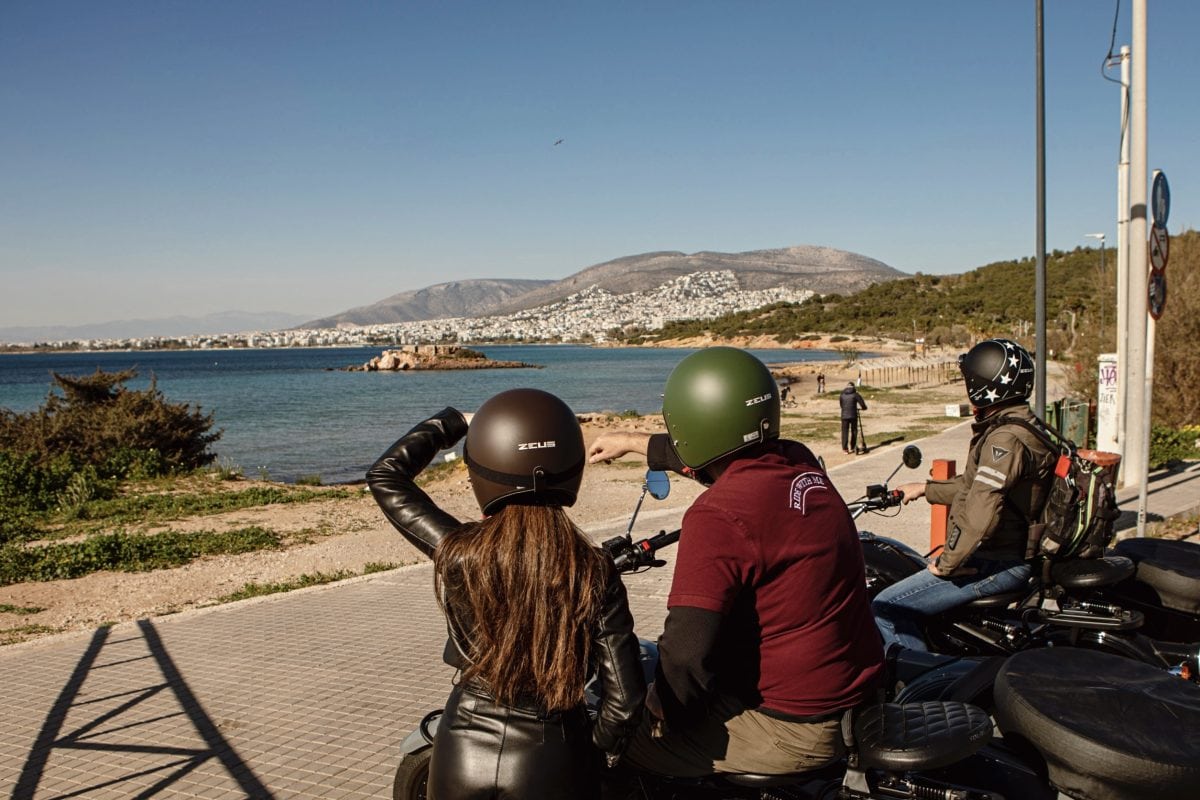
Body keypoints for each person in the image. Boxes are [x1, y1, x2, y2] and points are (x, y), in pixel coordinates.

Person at [587, 347, 884, 779]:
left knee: (601, 743)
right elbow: (721, 456)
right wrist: (633, 443)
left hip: (793, 730)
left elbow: (686, 656)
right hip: (853, 699)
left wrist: (657, 708)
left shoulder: (718, 515)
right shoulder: (799, 462)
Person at [367, 388, 645, 800]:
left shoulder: (461, 551)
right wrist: (593, 751)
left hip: (461, 748)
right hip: (553, 754)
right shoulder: (592, 570)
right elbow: (624, 701)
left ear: (484, 467)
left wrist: (456, 421)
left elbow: (386, 475)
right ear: (570, 469)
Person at [873, 338, 1058, 652]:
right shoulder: (1025, 425)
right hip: (1005, 557)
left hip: (998, 563)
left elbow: (981, 507)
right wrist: (923, 489)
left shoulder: (1005, 438)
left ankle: (916, 685)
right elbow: (975, 486)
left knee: (888, 607)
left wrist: (947, 563)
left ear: (983, 385)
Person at [839, 382, 867, 454]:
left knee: (845, 432)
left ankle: (845, 448)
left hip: (844, 415)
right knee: (854, 431)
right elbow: (862, 403)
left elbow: (841, 405)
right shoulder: (855, 394)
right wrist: (864, 408)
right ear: (853, 387)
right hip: (853, 415)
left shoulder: (842, 394)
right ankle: (852, 446)